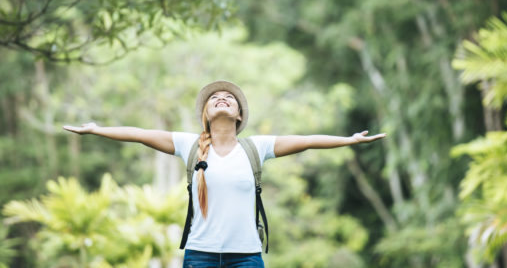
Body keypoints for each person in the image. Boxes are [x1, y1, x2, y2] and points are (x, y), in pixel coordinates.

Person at [63, 80, 386, 268]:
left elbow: (306, 141)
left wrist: (348, 140)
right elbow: (139, 133)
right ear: (206, 114)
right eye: (215, 98)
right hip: (199, 256)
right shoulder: (187, 144)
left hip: (246, 257)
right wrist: (97, 130)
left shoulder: (255, 148)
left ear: (239, 115)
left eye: (228, 98)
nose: (222, 98)